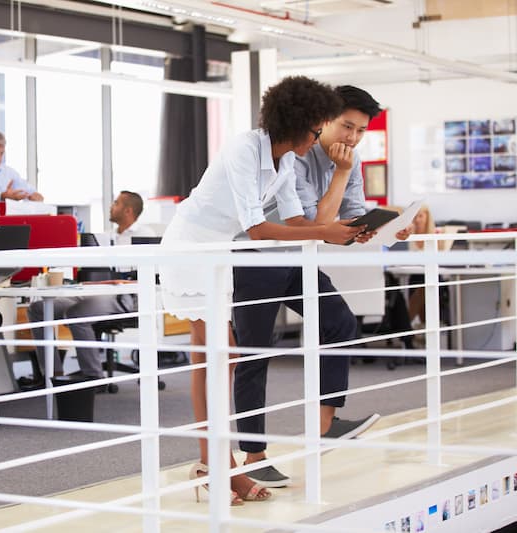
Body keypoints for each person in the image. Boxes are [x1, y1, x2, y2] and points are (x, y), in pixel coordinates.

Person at [159, 76, 364, 504]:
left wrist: (340, 230)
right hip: (192, 248)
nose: (318, 138)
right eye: (316, 129)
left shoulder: (285, 160)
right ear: (296, 122)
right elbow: (256, 228)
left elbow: (295, 224)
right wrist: (328, 230)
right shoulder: (244, 149)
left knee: (221, 359)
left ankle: (216, 465)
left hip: (219, 254)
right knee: (217, 359)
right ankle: (217, 467)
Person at [235, 85, 393, 488]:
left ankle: (324, 425)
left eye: (360, 131)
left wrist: (389, 226)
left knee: (339, 322)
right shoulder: (297, 156)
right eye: (347, 127)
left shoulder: (342, 159)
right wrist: (340, 174)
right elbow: (315, 223)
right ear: (322, 121)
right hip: (254, 260)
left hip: (296, 258)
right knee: (255, 354)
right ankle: (253, 455)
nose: (352, 139)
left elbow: (351, 216)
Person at [28, 191, 154, 380]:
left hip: (123, 295)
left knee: (76, 314)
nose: (112, 206)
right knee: (37, 309)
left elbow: (147, 275)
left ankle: (94, 377)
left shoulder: (144, 236)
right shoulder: (106, 236)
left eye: (116, 203)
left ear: (128, 210)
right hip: (93, 289)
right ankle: (53, 374)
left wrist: (119, 276)